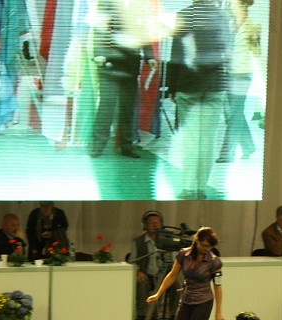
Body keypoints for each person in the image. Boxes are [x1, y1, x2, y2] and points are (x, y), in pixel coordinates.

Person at [169, 0, 232, 200]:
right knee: (208, 139)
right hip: (215, 84)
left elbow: (176, 54)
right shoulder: (222, 16)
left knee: (190, 140)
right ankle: (201, 187)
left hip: (189, 83)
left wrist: (170, 86)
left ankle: (188, 187)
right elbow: (226, 52)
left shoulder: (184, 15)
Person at [89, 0, 156, 159]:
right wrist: (99, 52)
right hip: (110, 62)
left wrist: (149, 56)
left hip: (131, 64)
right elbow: (100, 28)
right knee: (107, 106)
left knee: (128, 108)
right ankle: (97, 146)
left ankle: (126, 145)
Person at [217, 0, 261, 164]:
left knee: (234, 114)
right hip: (228, 73)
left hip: (242, 74)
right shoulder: (228, 25)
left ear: (243, 6)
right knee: (234, 113)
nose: (230, 6)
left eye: (234, 4)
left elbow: (257, 54)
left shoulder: (253, 26)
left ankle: (227, 153)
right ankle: (249, 146)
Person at [129, 210, 167, 320]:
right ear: (144, 225)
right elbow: (131, 261)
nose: (155, 225)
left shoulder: (167, 240)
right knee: (142, 283)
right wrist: (137, 271)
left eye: (157, 222)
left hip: (163, 274)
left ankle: (172, 317)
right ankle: (142, 317)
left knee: (177, 284)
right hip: (146, 274)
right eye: (151, 223)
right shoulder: (138, 242)